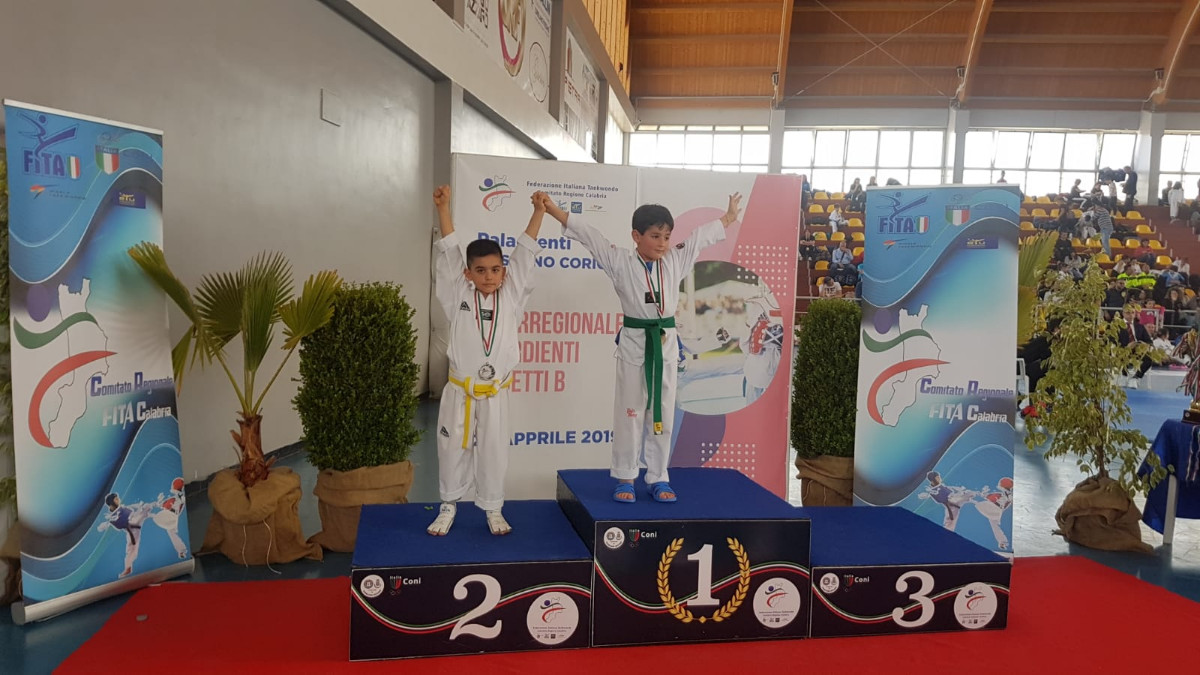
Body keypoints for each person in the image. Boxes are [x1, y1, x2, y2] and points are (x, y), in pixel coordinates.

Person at [543, 193, 742, 503]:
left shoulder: (675, 259)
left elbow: (698, 238)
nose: (662, 243)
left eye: (666, 236)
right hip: (635, 345)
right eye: (655, 236)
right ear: (636, 236)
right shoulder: (620, 261)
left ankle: (659, 477)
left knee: (662, 412)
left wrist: (728, 218)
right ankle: (625, 477)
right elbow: (589, 235)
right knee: (630, 413)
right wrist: (553, 209)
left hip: (665, 344)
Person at [427, 186, 547, 535]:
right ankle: (448, 506)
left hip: (495, 391)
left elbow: (524, 253)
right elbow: (450, 253)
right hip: (460, 390)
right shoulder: (457, 295)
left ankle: (493, 508)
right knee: (451, 448)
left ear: (503, 272)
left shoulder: (512, 296)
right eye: (480, 270)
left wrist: (538, 212)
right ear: (468, 274)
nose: (489, 277)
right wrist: (444, 208)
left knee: (494, 452)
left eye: (495, 269)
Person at [98, 492, 155, 578]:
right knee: (132, 550)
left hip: (134, 521)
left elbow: (132, 509)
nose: (118, 500)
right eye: (116, 499)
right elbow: (117, 524)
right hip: (131, 527)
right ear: (111, 503)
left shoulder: (122, 508)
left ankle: (150, 509)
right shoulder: (112, 516)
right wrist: (106, 524)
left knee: (145, 509)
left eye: (118, 498)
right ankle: (128, 568)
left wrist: (140, 507)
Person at [150, 477, 188, 559]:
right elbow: (164, 504)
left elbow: (166, 505)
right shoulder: (176, 498)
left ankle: (182, 550)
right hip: (174, 518)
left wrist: (159, 503)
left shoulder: (178, 498)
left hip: (170, 516)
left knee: (155, 517)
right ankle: (181, 551)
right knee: (172, 533)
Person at [972, 478, 1013, 551]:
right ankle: (1002, 542)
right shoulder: (1005, 494)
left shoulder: (1007, 495)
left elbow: (1001, 502)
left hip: (995, 509)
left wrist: (985, 494)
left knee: (978, 503)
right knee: (995, 526)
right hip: (997, 511)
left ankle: (1003, 542)